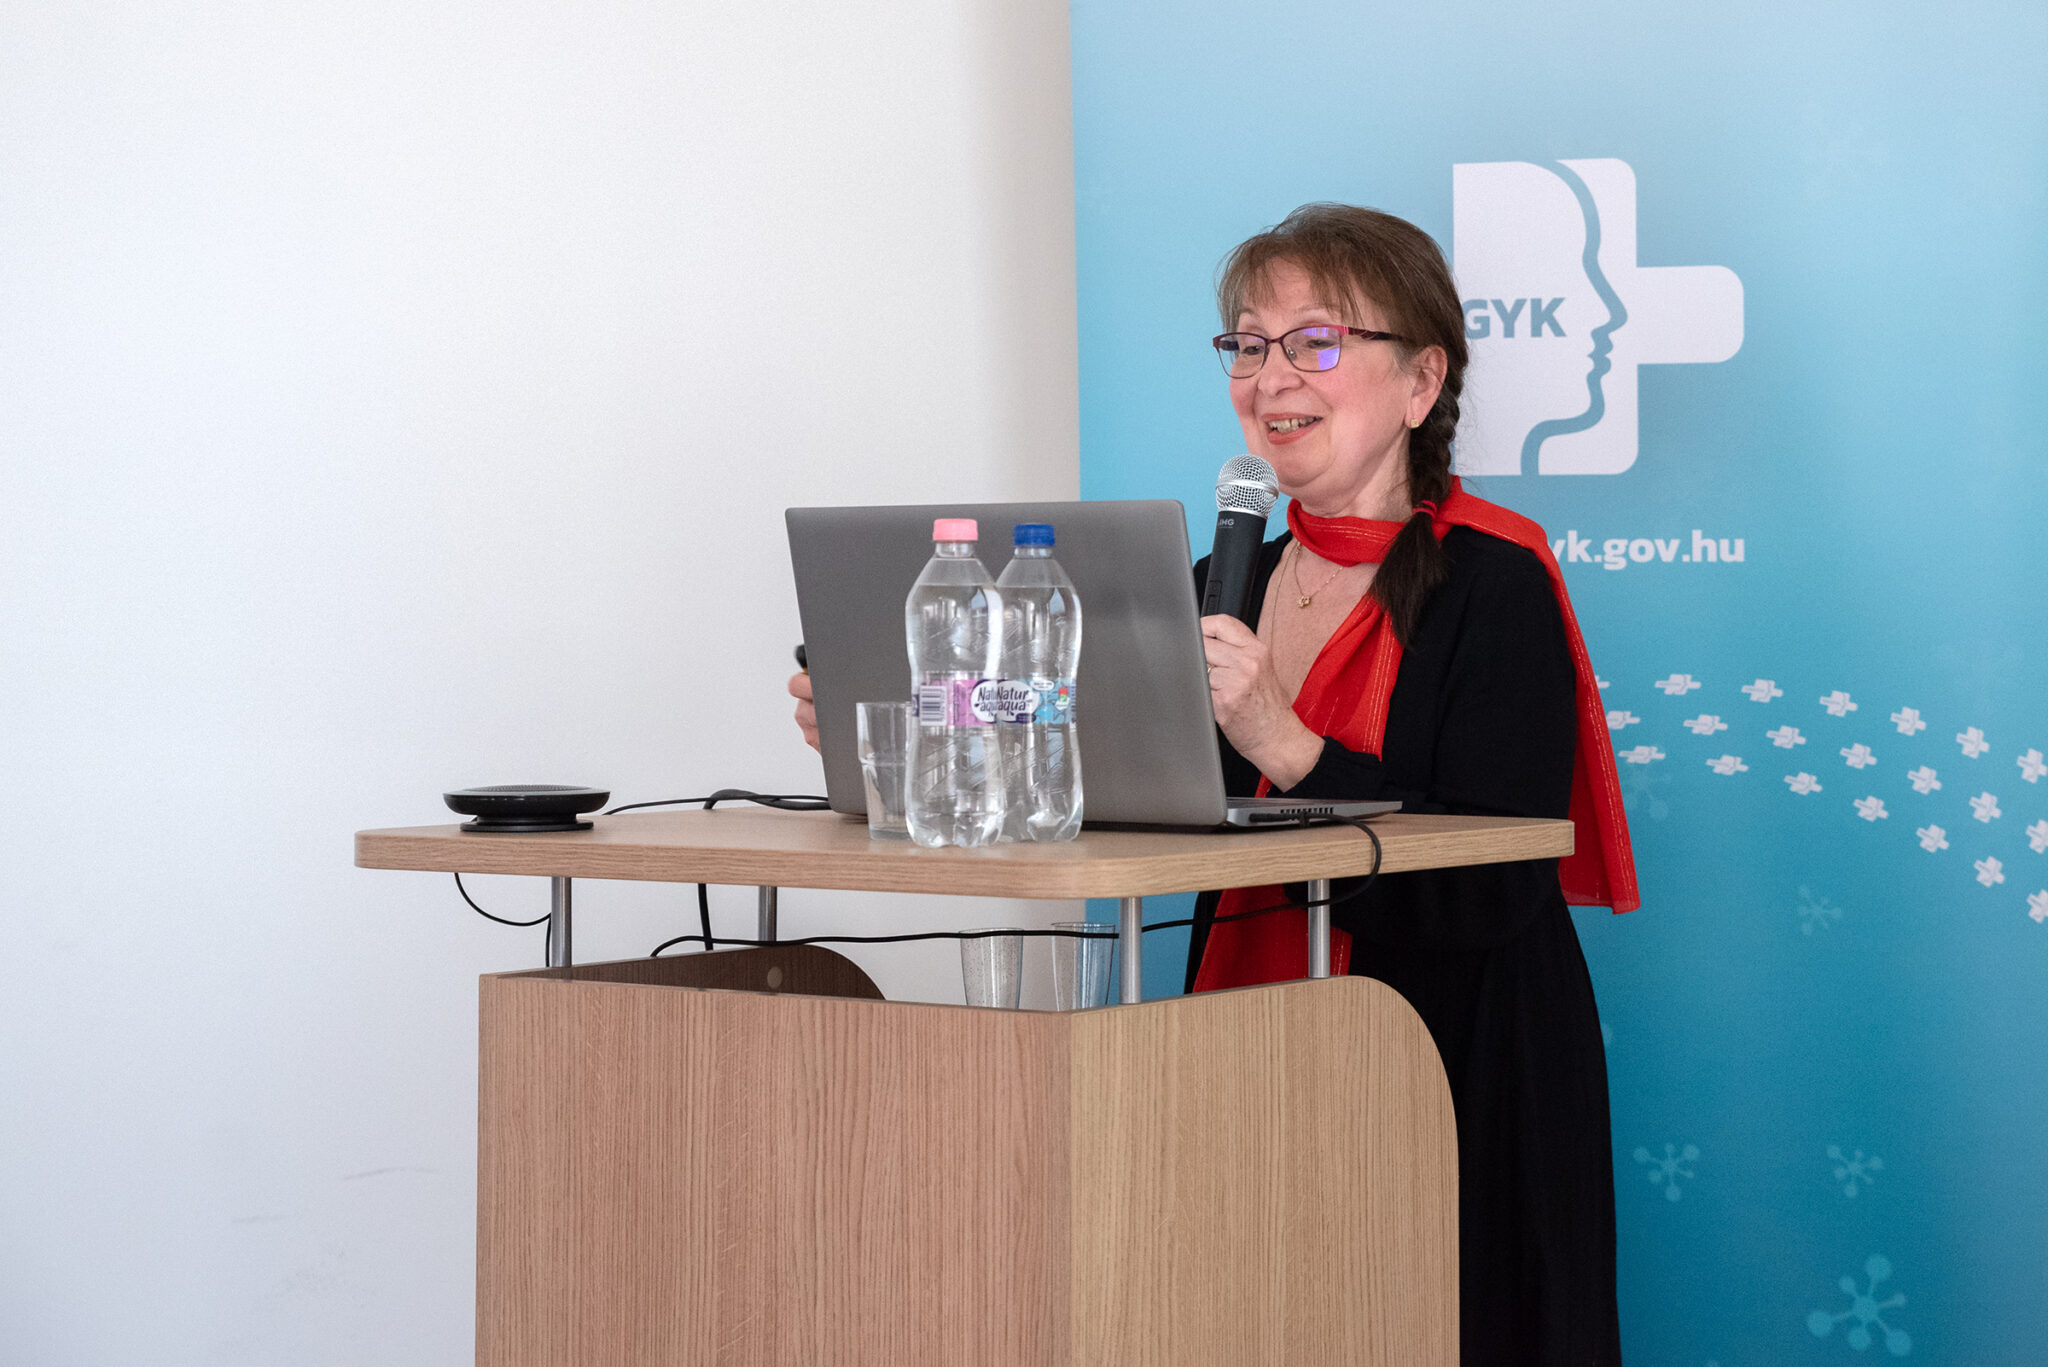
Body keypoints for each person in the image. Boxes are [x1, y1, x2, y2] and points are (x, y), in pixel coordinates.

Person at [789, 203, 1637, 1365]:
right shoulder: (1208, 580)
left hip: (1454, 1064)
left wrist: (1282, 739)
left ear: (1420, 379)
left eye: (1315, 341)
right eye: (1246, 343)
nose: (1269, 375)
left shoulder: (1496, 581)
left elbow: (1493, 879)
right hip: (1240, 1040)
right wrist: (906, 735)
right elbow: (1100, 791)